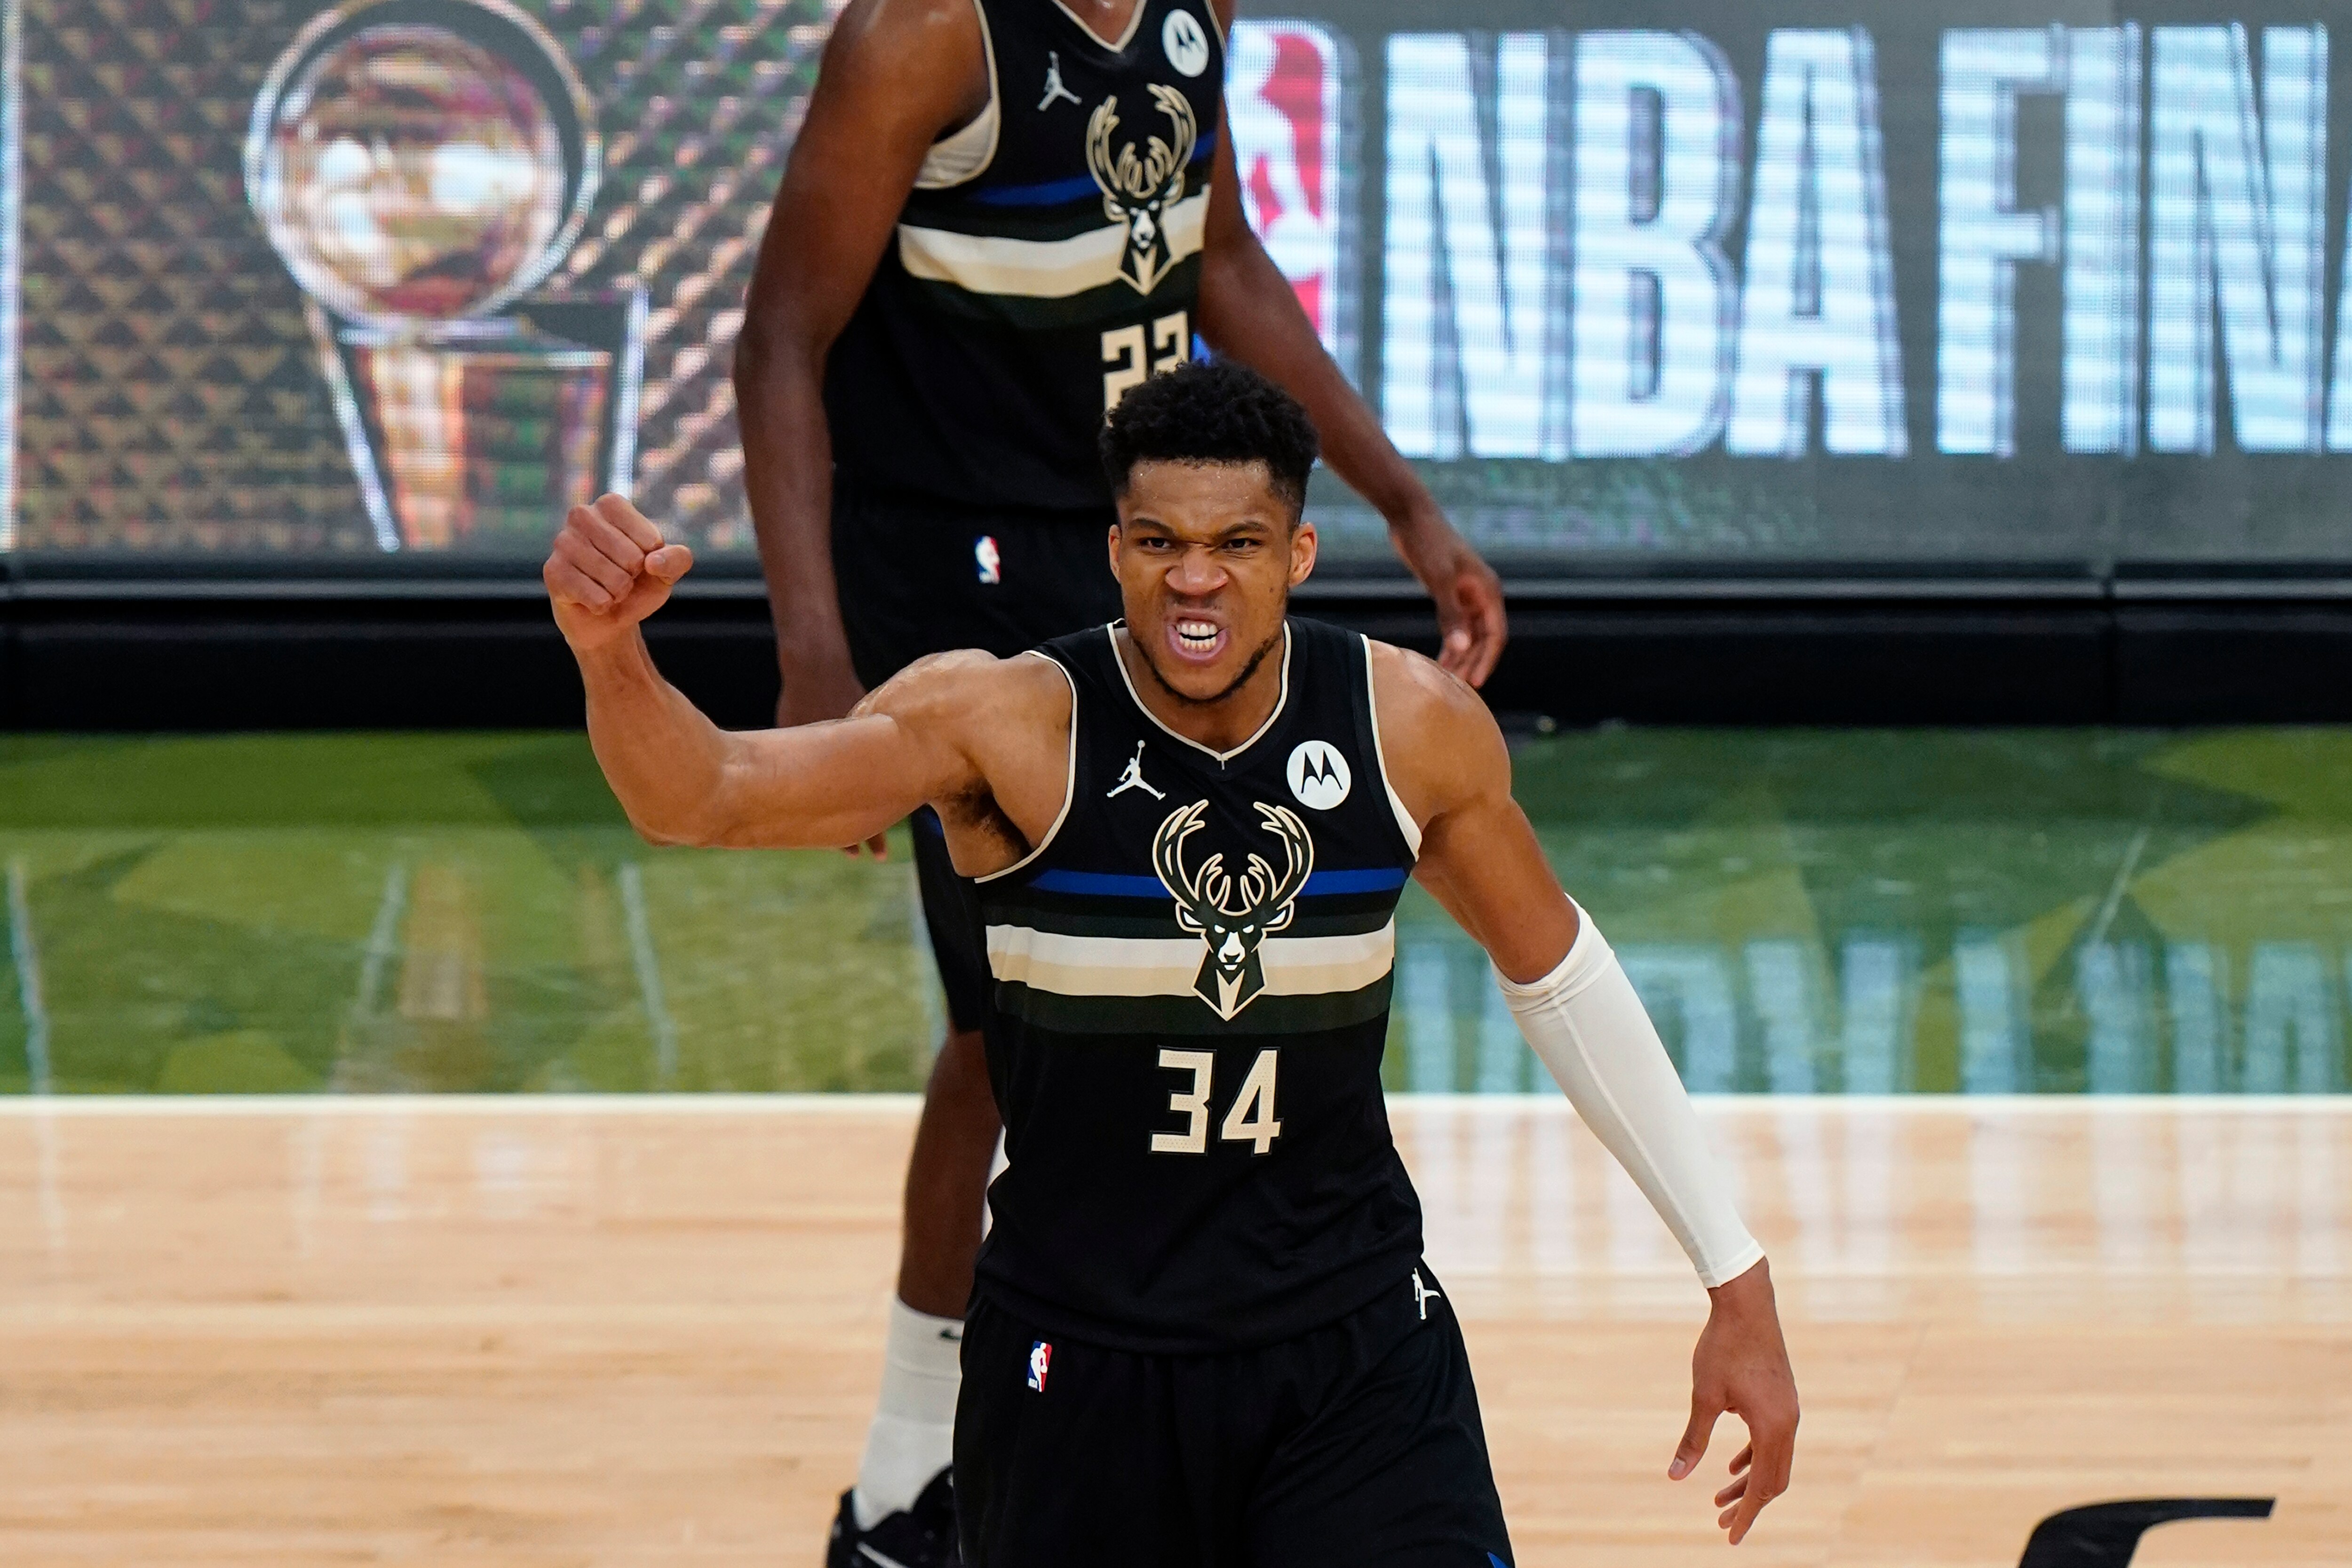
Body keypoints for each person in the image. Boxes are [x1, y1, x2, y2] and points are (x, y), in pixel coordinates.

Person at [546, 361, 1799, 1566]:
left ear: (1298, 555)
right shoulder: (1008, 725)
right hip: (1080, 1369)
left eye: (1237, 545)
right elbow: (705, 793)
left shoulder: (1408, 730)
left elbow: (1563, 979)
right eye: (1160, 543)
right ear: (1114, 550)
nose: (1195, 582)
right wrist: (612, 654)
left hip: (1352, 1355)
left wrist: (1733, 1277)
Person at [729, 0, 1507, 1554]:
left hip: (1148, 566)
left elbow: (1214, 262)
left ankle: (969, 1457)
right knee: (1005, 1029)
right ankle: (902, 1485)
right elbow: (780, 339)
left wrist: (1404, 499)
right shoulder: (927, 35)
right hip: (956, 568)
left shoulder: (1191, 14)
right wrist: (814, 649)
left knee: (1057, 1024)